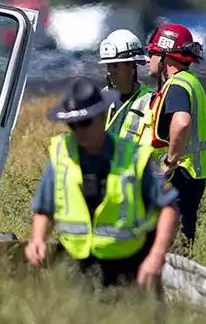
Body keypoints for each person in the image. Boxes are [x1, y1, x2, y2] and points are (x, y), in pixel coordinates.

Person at [25, 78, 180, 293]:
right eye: (73, 125)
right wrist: (37, 239)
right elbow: (44, 209)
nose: (79, 130)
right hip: (78, 267)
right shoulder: (61, 154)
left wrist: (156, 256)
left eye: (85, 122)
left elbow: (168, 207)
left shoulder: (134, 156)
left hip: (129, 267)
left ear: (102, 115)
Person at [143, 23, 206, 247]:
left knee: (167, 240)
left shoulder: (176, 86)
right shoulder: (192, 83)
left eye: (152, 53)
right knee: (184, 238)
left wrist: (170, 160)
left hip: (180, 175)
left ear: (165, 56)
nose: (148, 59)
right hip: (193, 174)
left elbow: (182, 123)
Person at [98, 29, 156, 143]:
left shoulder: (150, 101)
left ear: (132, 67)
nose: (110, 71)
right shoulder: (101, 98)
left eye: (115, 66)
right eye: (108, 66)